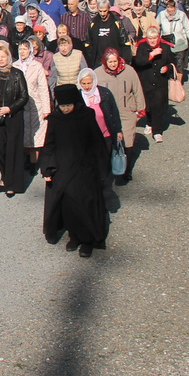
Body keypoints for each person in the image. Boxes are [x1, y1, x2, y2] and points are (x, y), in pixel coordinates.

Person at [41, 86, 110, 258]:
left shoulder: (86, 116)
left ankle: (88, 240)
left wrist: (102, 167)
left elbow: (97, 142)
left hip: (85, 169)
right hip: (63, 169)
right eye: (62, 106)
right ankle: (74, 236)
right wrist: (47, 168)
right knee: (68, 206)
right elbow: (49, 144)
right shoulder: (56, 119)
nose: (65, 109)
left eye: (68, 105)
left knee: (85, 204)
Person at [0, 43, 30, 197]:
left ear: (9, 57)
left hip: (13, 115)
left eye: (3, 57)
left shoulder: (17, 74)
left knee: (12, 150)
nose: (1, 59)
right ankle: (4, 173)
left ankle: (11, 183)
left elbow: (24, 97)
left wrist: (10, 108)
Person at [96, 48, 146, 184]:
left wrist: (140, 108)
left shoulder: (129, 71)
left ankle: (126, 170)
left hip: (127, 111)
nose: (113, 64)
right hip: (108, 113)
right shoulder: (98, 74)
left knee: (128, 141)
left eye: (115, 61)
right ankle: (109, 169)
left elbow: (137, 89)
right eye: (110, 62)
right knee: (109, 142)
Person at [132, 26, 176, 143]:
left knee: (158, 107)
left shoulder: (165, 47)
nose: (152, 41)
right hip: (145, 81)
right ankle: (149, 122)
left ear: (159, 38)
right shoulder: (142, 47)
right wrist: (151, 54)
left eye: (154, 38)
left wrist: (167, 68)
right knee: (147, 106)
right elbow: (138, 62)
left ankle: (157, 131)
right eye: (150, 38)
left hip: (160, 83)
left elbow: (173, 62)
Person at [16, 38, 51, 171]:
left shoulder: (37, 66)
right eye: (20, 49)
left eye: (25, 49)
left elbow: (43, 88)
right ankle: (25, 159)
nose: (22, 52)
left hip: (36, 105)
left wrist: (46, 108)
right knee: (24, 134)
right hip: (20, 106)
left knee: (36, 136)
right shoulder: (15, 66)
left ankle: (33, 162)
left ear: (30, 50)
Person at [156, 0, 189, 80]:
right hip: (166, 44)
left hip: (180, 44)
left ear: (175, 8)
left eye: (171, 7)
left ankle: (178, 82)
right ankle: (169, 81)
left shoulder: (182, 15)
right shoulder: (161, 15)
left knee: (179, 65)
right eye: (168, 7)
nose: (169, 9)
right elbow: (156, 27)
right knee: (167, 64)